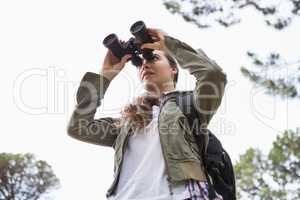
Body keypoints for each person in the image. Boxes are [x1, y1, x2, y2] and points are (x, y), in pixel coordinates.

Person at [67, 28, 227, 200]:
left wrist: (168, 44)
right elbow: (78, 127)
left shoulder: (191, 105)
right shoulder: (126, 122)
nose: (145, 64)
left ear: (173, 69)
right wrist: (105, 76)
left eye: (153, 57)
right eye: (139, 63)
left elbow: (212, 75)